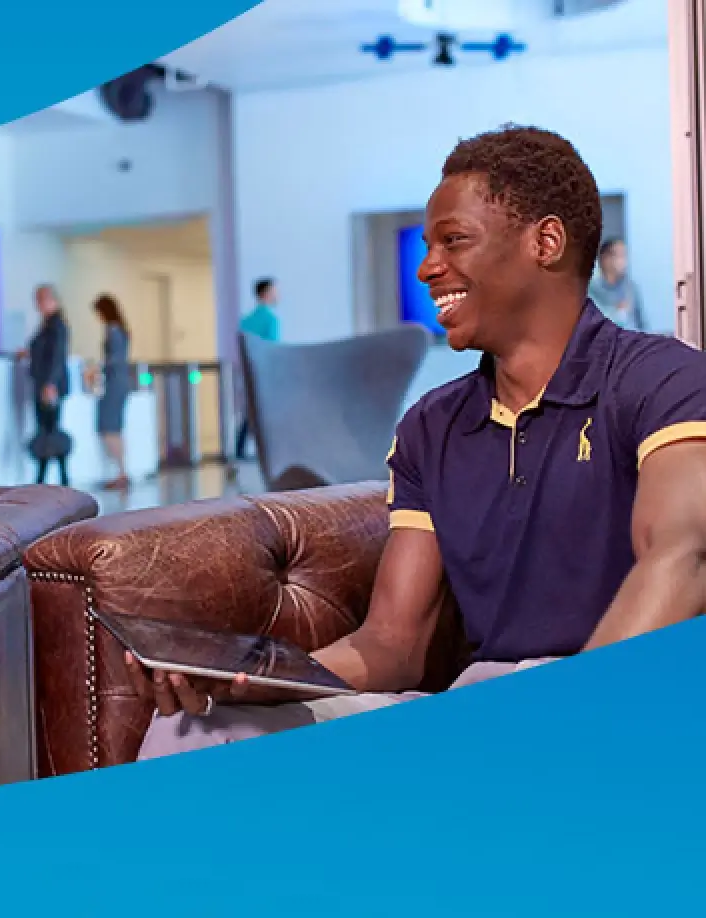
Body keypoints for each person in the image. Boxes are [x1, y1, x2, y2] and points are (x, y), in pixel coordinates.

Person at [129, 125, 706, 758]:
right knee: (191, 730)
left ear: (546, 242)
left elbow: (683, 554)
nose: (429, 268)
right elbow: (392, 645)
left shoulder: (664, 379)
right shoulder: (431, 426)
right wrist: (258, 684)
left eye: (454, 241)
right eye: (428, 246)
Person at [27, 284, 71, 486]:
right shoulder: (46, 325)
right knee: (47, 430)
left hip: (49, 385)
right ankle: (52, 477)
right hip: (44, 383)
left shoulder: (57, 326)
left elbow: (57, 357)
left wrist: (50, 383)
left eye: (42, 299)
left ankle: (52, 478)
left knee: (49, 430)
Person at [88, 294, 132, 491]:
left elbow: (113, 358)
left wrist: (96, 368)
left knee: (108, 427)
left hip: (114, 383)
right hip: (121, 382)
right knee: (115, 428)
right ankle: (121, 471)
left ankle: (121, 472)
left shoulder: (112, 330)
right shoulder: (121, 329)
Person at [235, 278, 282, 459]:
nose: (278, 295)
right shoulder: (271, 320)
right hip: (266, 373)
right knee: (269, 413)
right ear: (266, 293)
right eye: (275, 291)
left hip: (248, 373)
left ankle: (239, 452)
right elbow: (273, 351)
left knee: (250, 413)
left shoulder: (245, 321)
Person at [588, 237, 646, 331]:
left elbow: (642, 324)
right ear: (605, 259)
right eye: (620, 256)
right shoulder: (591, 289)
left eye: (625, 256)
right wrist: (619, 312)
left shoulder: (630, 287)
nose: (624, 262)